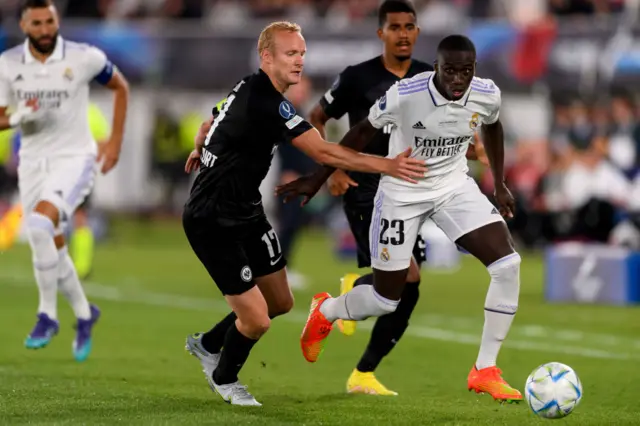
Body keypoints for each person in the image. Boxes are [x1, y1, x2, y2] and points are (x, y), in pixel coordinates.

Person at [181, 21, 427, 407]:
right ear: (267, 57)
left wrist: (201, 145)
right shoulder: (267, 101)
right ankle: (224, 377)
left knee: (280, 302)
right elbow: (326, 153)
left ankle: (209, 344)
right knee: (257, 320)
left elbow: (211, 120)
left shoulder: (247, 86)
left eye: (302, 54)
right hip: (212, 220)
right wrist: (387, 165)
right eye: (290, 54)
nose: (299, 62)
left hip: (247, 212)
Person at [277, 35, 523, 403]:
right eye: (450, 71)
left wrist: (499, 183)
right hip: (401, 193)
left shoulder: (486, 92)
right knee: (386, 300)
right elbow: (359, 133)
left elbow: (493, 125)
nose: (458, 79)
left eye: (466, 71)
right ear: (436, 68)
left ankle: (484, 369)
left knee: (508, 264)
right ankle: (326, 309)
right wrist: (317, 178)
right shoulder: (406, 94)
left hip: (453, 186)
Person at [307, 0, 485, 395]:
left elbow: (450, 125)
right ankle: (346, 298)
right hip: (365, 186)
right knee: (407, 277)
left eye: (409, 26)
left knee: (408, 289)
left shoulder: (431, 75)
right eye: (395, 27)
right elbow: (316, 117)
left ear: (417, 32)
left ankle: (364, 372)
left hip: (414, 189)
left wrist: (471, 149)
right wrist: (335, 167)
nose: (403, 33)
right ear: (381, 33)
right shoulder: (357, 78)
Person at [0, 0, 129, 362]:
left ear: (57, 22)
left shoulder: (83, 57)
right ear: (24, 25)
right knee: (52, 242)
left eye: (50, 21)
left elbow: (121, 87)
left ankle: (47, 315)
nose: (45, 29)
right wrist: (19, 116)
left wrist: (115, 140)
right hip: (32, 163)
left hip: (74, 159)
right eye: (37, 23)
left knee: (40, 225)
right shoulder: (7, 64)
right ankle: (86, 314)